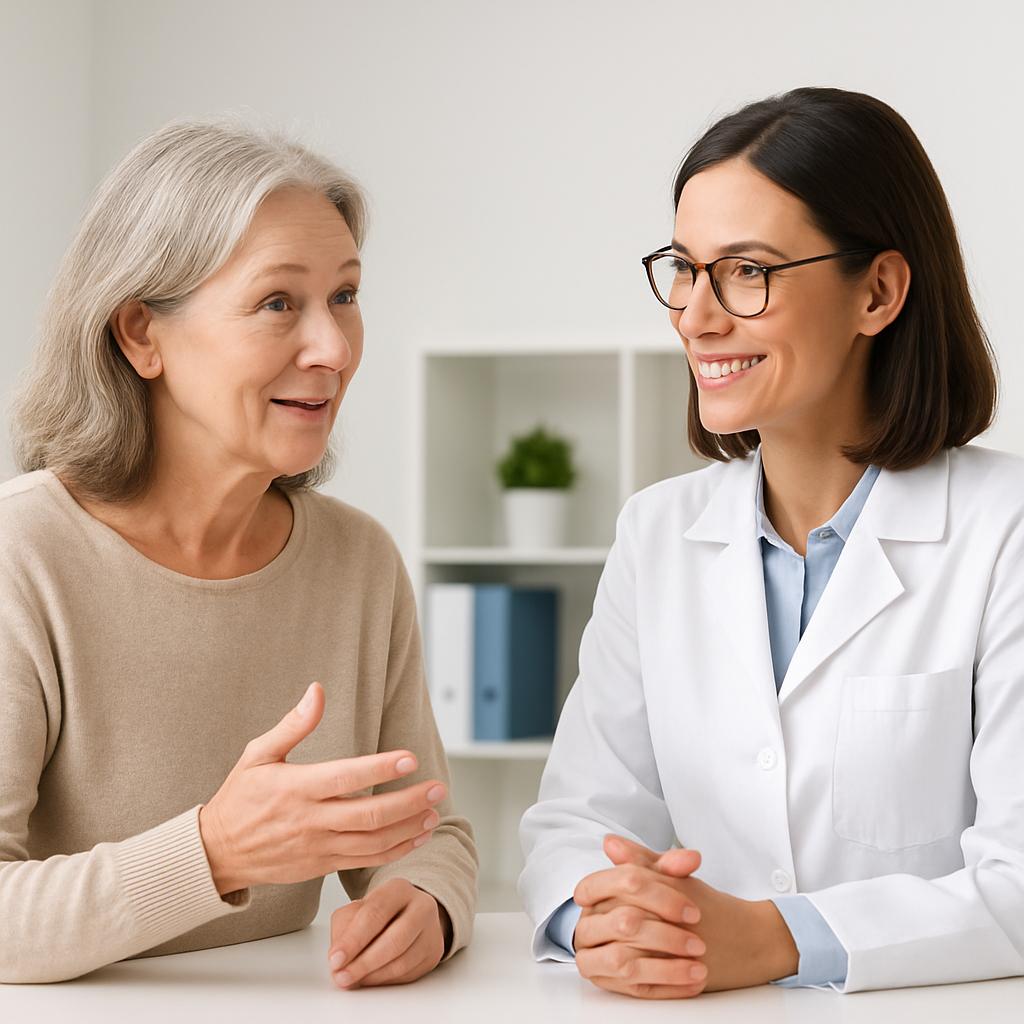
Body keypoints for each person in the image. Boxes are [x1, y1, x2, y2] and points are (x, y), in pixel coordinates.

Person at [519, 87, 1024, 996]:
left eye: (746, 272)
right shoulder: (658, 533)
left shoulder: (1006, 529)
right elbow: (575, 821)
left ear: (878, 291)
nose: (696, 315)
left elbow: (1018, 882)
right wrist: (604, 918)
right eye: (684, 266)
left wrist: (773, 939)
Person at [0, 118, 477, 985]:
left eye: (345, 296)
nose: (333, 349)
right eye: (277, 303)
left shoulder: (357, 561)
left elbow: (427, 830)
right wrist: (214, 851)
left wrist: (425, 903)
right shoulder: (20, 558)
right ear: (141, 334)